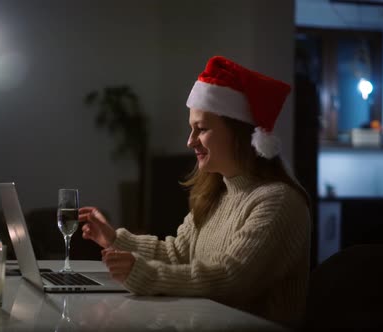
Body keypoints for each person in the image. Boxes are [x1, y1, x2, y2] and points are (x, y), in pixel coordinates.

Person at [79, 55, 311, 327]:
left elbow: (231, 279)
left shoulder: (278, 202)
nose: (190, 142)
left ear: (239, 133)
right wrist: (115, 240)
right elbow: (178, 253)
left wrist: (146, 275)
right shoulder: (217, 193)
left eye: (201, 129)